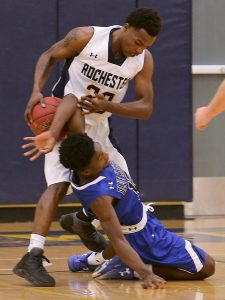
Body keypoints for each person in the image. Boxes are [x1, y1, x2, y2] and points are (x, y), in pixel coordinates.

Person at [13, 7, 161, 287]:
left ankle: (83, 220)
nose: (139, 49)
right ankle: (33, 255)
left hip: (100, 125)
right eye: (137, 42)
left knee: (124, 190)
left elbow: (146, 108)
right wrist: (35, 90)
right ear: (126, 27)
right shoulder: (85, 37)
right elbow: (48, 56)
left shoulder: (142, 59)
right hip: (64, 117)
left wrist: (108, 105)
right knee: (57, 185)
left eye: (146, 46)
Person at [58, 133, 215, 289]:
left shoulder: (85, 165)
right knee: (207, 266)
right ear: (86, 171)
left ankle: (89, 261)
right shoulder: (100, 197)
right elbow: (119, 239)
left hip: (139, 220)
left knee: (120, 243)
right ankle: (128, 268)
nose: (106, 155)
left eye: (100, 150)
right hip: (141, 236)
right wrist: (145, 274)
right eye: (100, 157)